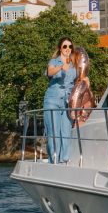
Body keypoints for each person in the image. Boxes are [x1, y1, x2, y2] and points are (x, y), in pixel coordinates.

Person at [44, 36, 77, 164]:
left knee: (66, 131)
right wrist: (61, 67)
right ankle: (55, 160)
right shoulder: (54, 61)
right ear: (60, 48)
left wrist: (85, 80)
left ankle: (64, 160)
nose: (67, 49)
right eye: (65, 46)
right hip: (52, 100)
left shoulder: (74, 64)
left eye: (70, 46)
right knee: (54, 132)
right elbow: (49, 72)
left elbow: (78, 79)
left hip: (68, 102)